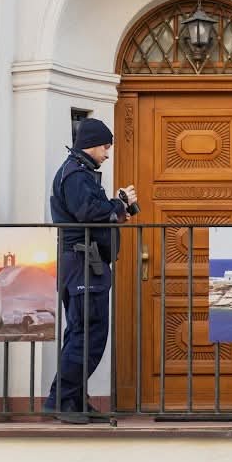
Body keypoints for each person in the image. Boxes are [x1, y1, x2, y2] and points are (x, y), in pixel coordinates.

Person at [43, 118, 137, 424]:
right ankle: (61, 400)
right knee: (88, 334)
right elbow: (90, 213)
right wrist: (119, 204)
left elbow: (93, 212)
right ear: (92, 144)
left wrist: (116, 207)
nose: (107, 153)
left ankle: (73, 401)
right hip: (83, 263)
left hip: (83, 263)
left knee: (81, 333)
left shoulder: (78, 173)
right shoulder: (75, 175)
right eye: (105, 147)